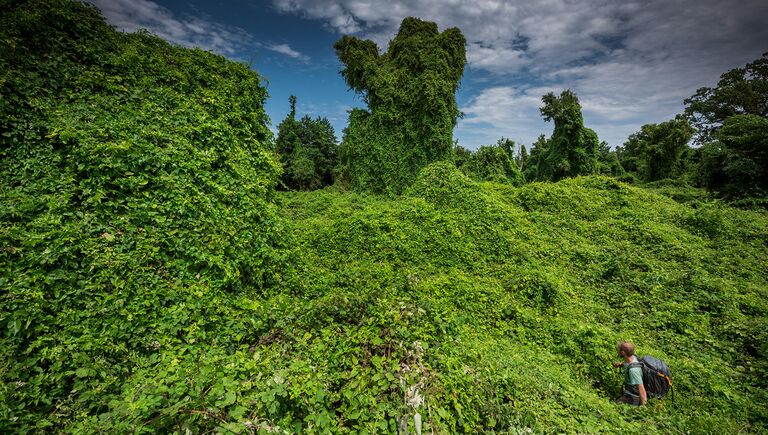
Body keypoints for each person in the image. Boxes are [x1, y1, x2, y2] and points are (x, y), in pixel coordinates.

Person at [612, 341, 647, 406]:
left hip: (633, 398)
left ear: (623, 352)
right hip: (628, 392)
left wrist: (643, 408)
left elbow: (641, 389)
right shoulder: (632, 357)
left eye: (619, 350)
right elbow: (628, 364)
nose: (618, 351)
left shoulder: (633, 370)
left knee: (613, 406)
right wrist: (620, 364)